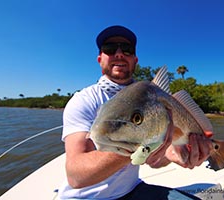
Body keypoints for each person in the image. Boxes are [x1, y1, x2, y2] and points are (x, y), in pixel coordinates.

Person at [58, 25, 212, 200]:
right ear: (100, 60)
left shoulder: (148, 96)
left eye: (127, 49)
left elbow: (155, 162)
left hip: (132, 190)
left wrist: (172, 155)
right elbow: (76, 177)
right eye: (109, 49)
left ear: (135, 60)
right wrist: (142, 148)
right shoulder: (84, 100)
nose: (119, 54)